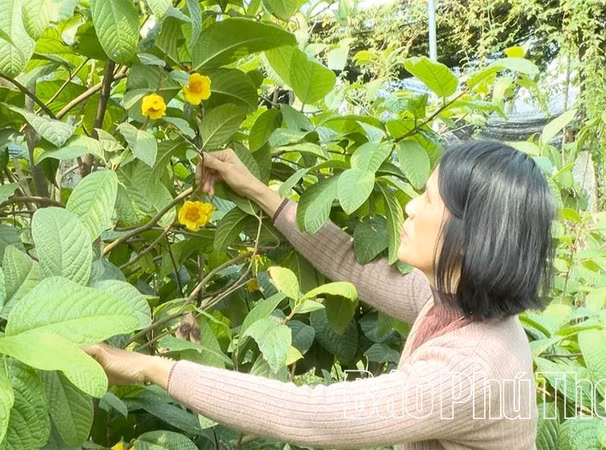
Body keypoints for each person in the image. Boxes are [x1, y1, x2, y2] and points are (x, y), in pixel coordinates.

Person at [86, 140, 556, 449]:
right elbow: (351, 263)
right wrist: (259, 191)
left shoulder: (469, 370)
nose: (410, 208)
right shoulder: (453, 301)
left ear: (473, 235)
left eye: (429, 200)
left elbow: (312, 414)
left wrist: (152, 367)